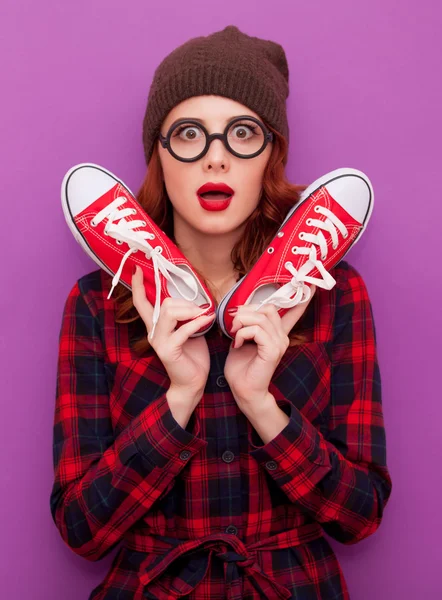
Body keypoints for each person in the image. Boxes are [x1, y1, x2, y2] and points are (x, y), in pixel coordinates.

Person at [50, 25, 392, 600]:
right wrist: (179, 396)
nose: (215, 159)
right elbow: (82, 530)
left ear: (271, 155)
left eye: (243, 134)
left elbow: (360, 517)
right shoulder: (97, 302)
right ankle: (160, 270)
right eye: (188, 134)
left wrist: (261, 404)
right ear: (158, 155)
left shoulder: (332, 292)